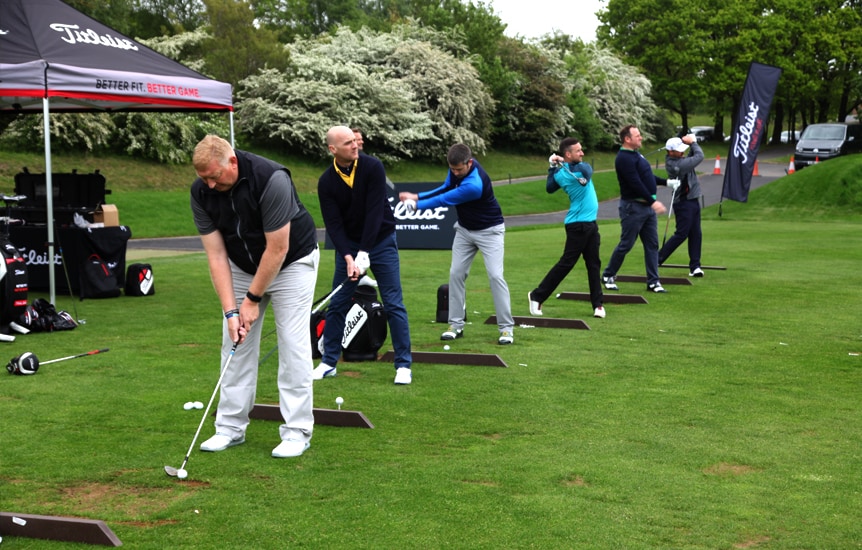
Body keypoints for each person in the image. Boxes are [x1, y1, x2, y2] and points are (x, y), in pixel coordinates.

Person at [190, 134, 319, 459]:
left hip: (292, 263)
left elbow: (278, 249)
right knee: (234, 343)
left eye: (214, 177)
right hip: (242, 265)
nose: (209, 184)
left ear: (231, 162)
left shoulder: (271, 179)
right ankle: (230, 428)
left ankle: (297, 432)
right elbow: (217, 256)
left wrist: (251, 300)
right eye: (203, 178)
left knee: (293, 345)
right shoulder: (201, 192)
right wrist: (232, 312)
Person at [314, 125, 413, 385]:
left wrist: (364, 252)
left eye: (354, 141)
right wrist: (348, 256)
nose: (355, 145)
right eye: (347, 143)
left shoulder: (372, 167)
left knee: (393, 302)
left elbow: (374, 213)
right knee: (338, 305)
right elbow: (333, 224)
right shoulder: (326, 181)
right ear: (332, 149)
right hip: (348, 248)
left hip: (380, 241)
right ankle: (329, 362)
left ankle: (403, 365)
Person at [399, 143, 515, 345]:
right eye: (452, 169)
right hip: (464, 231)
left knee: (496, 276)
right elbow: (445, 187)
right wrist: (417, 196)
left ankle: (506, 329)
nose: (455, 172)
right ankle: (455, 325)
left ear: (469, 163)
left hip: (490, 232)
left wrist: (417, 205)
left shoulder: (474, 185)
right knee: (456, 274)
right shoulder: (457, 168)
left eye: (459, 169)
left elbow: (445, 199)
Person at [528, 138, 605, 319]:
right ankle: (537, 295)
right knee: (567, 263)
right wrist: (555, 166)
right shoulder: (569, 173)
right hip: (578, 224)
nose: (582, 153)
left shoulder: (568, 171)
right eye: (578, 151)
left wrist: (555, 165)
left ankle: (598, 305)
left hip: (590, 223)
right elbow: (551, 187)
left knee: (594, 264)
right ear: (568, 154)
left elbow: (581, 172)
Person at [601, 125, 669, 293]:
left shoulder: (636, 155)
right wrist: (652, 201)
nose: (641, 138)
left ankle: (653, 281)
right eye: (637, 135)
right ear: (627, 139)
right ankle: (608, 275)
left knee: (652, 244)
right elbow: (635, 182)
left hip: (646, 208)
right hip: (633, 207)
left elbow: (647, 176)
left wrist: (666, 182)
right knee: (627, 244)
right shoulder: (623, 158)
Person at [658, 134, 705, 277]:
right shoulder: (676, 165)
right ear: (670, 152)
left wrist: (689, 143)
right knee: (681, 234)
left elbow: (691, 156)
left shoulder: (679, 159)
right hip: (683, 203)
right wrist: (694, 142)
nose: (682, 152)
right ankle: (656, 260)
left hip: (692, 200)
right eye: (679, 150)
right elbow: (699, 156)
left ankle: (695, 267)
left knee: (696, 233)